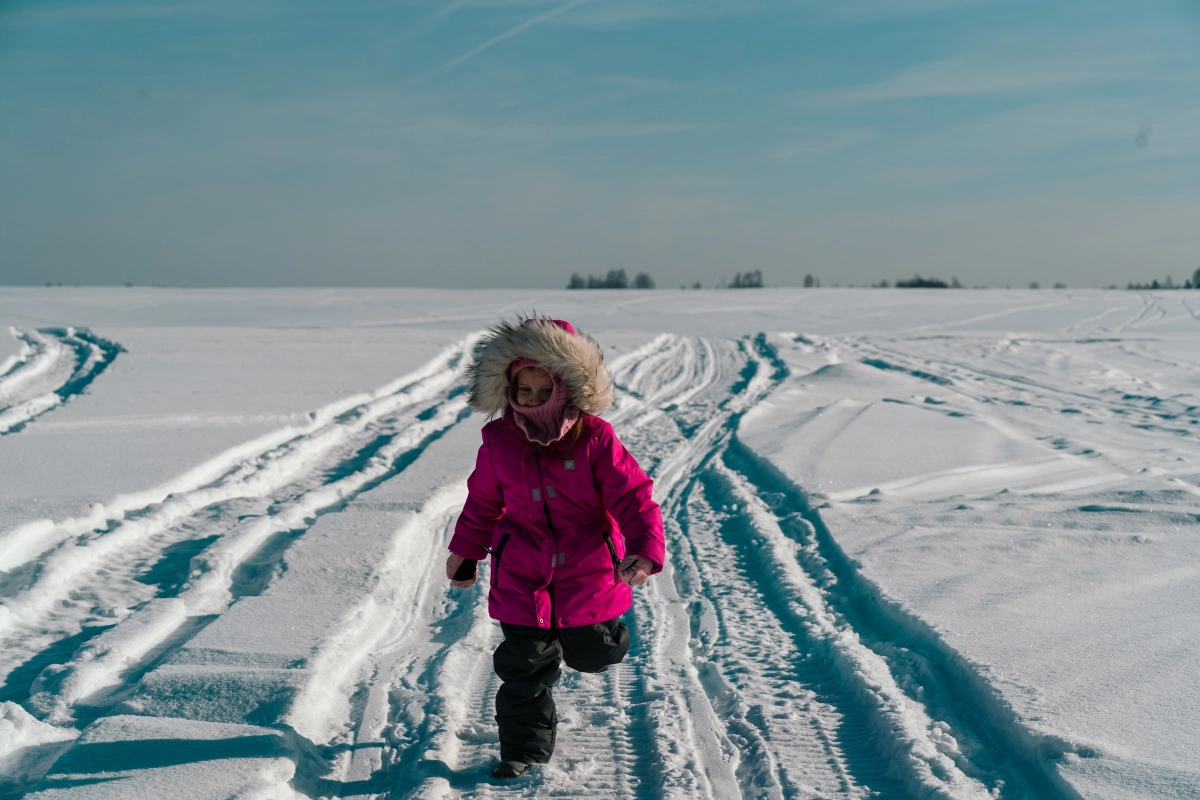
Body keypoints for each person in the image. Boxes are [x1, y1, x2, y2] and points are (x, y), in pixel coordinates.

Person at [445, 315, 665, 780]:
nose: (532, 399)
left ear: (565, 387)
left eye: (542, 389)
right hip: (522, 571)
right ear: (508, 390)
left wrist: (644, 549)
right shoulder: (499, 442)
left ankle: (604, 638)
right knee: (523, 666)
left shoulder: (595, 438)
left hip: (587, 569)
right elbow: (483, 502)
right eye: (522, 390)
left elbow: (631, 496)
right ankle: (521, 751)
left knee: (595, 653)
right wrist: (467, 551)